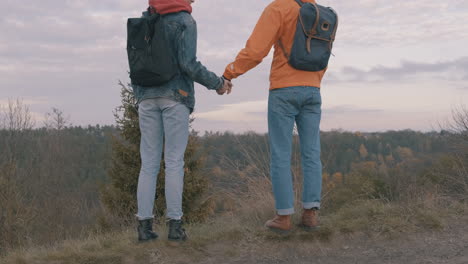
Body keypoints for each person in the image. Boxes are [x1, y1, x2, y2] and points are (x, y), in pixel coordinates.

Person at [133, 0, 232, 243]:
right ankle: (175, 227)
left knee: (148, 163)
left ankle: (144, 228)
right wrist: (217, 83)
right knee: (174, 161)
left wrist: (141, 96)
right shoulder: (185, 21)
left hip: (146, 97)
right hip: (176, 96)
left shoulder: (146, 20)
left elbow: (135, 62)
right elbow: (189, 64)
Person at [223, 0, 326, 233]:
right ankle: (310, 214)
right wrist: (313, 82)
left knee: (281, 154)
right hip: (313, 89)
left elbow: (255, 51)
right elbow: (322, 53)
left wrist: (230, 73)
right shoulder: (320, 12)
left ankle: (283, 217)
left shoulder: (279, 8)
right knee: (312, 152)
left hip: (283, 90)